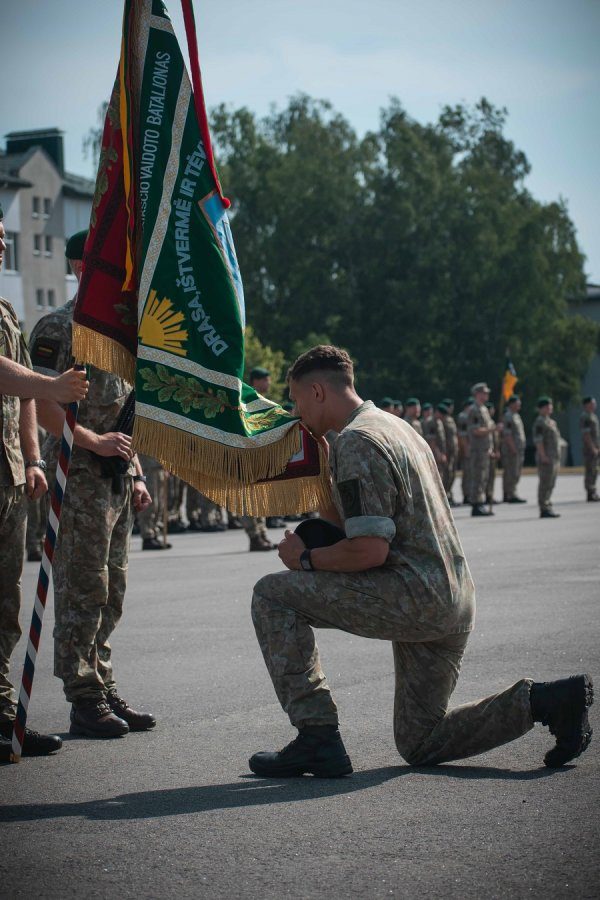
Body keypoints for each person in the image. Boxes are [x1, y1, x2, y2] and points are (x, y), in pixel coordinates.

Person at [248, 345, 593, 778]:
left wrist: (305, 559)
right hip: (453, 597)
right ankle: (547, 702)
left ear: (317, 391)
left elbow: (370, 550)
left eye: (297, 400)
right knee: (420, 740)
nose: (296, 412)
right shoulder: (396, 428)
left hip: (413, 596)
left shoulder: (356, 441)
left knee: (271, 595)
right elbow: (356, 526)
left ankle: (317, 737)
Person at [30, 230, 156, 738]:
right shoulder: (60, 328)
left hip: (115, 480)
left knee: (113, 588)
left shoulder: (120, 336)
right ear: (83, 268)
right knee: (83, 587)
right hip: (76, 477)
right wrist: (91, 441)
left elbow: (127, 412)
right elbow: (39, 402)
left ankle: (102, 682)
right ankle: (82, 696)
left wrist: (137, 469)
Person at [1, 207, 89, 762]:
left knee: (4, 603)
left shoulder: (6, 311)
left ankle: (3, 715)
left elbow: (22, 394)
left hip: (8, 475)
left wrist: (33, 458)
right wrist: (54, 383)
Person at [241, 366, 280, 548]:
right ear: (255, 381)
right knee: (249, 497)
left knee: (259, 496)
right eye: (265, 380)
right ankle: (254, 536)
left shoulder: (262, 400)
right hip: (247, 453)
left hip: (260, 453)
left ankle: (262, 534)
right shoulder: (246, 399)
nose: (268, 383)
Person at [467, 383, 494, 517]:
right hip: (477, 450)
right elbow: (476, 430)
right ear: (477, 394)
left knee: (483, 477)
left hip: (484, 449)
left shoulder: (483, 409)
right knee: (478, 477)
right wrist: (492, 429)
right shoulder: (474, 410)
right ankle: (476, 505)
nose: (486, 395)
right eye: (484, 393)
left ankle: (481, 502)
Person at [533, 396, 561, 518]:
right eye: (547, 406)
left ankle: (548, 504)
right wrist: (543, 455)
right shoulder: (540, 422)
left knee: (551, 483)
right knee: (545, 482)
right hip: (546, 457)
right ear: (541, 408)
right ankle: (543, 507)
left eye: (550, 405)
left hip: (554, 457)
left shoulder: (551, 422)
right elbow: (538, 440)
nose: (550, 408)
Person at [501, 394, 526, 503]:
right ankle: (510, 494)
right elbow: (507, 435)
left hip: (518, 449)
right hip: (512, 450)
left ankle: (511, 492)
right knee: (511, 472)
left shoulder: (516, 416)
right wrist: (513, 448)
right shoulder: (508, 416)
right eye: (517, 404)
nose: (519, 406)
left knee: (516, 472)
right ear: (511, 404)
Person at [580, 396, 599, 502]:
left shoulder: (593, 416)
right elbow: (586, 434)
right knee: (590, 470)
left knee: (595, 470)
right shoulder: (586, 417)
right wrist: (592, 448)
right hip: (589, 449)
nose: (594, 405)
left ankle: (593, 490)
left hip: (595, 447)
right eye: (592, 403)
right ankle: (590, 492)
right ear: (586, 405)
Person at [441, 399, 459, 506]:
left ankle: (449, 494)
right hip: (447, 451)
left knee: (452, 474)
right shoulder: (442, 420)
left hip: (453, 451)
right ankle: (446, 496)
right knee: (446, 474)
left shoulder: (450, 419)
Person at [457, 397, 472, 505]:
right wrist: (466, 450)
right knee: (467, 473)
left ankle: (471, 494)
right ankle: (466, 495)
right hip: (467, 449)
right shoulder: (463, 417)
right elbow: (462, 435)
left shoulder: (470, 416)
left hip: (473, 449)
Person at [485, 400, 501, 505]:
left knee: (491, 475)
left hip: (493, 451)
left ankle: (489, 495)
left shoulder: (491, 423)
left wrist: (497, 450)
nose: (493, 411)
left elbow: (495, 439)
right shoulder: (487, 424)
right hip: (486, 452)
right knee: (485, 476)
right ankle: (484, 496)